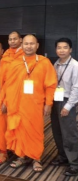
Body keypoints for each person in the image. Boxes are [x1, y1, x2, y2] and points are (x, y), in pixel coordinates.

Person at [5, 34, 57, 172]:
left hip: (35, 105)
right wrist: (6, 101)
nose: (29, 46)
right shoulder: (15, 63)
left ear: (37, 45)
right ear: (22, 45)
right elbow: (8, 85)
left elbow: (51, 85)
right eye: (26, 44)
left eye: (32, 44)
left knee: (35, 132)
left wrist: (48, 104)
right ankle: (21, 156)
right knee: (19, 131)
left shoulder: (44, 62)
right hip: (17, 105)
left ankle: (36, 158)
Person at [50, 38, 78, 176]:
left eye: (65, 47)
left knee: (69, 133)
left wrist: (68, 106)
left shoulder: (75, 65)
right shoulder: (56, 64)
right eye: (59, 47)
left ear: (70, 49)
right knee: (57, 131)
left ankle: (75, 163)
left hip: (67, 102)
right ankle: (63, 157)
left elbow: (76, 88)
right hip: (56, 99)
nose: (61, 50)